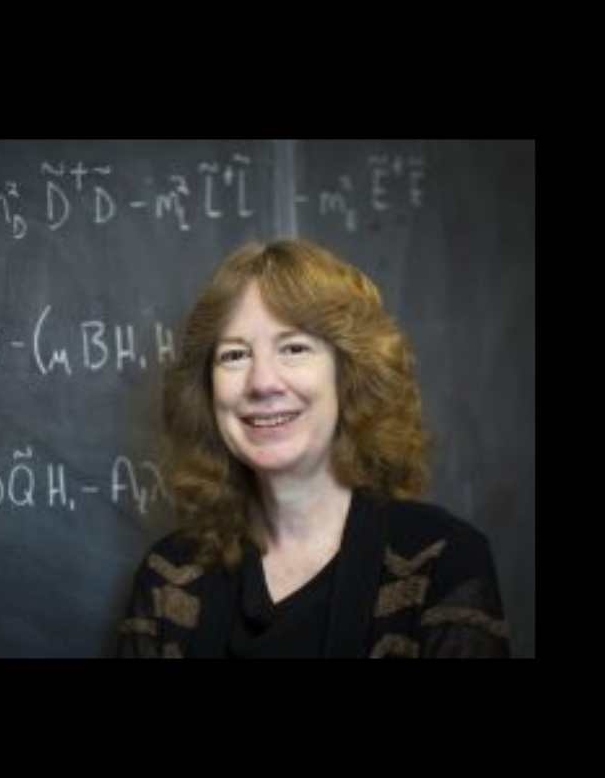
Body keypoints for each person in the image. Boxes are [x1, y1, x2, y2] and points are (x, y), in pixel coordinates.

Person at [117, 238, 510, 658]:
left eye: (294, 348)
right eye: (235, 355)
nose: (262, 382)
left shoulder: (441, 562)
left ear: (348, 376)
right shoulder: (168, 578)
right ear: (207, 391)